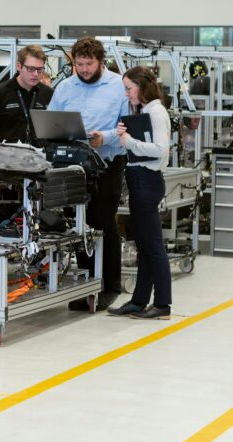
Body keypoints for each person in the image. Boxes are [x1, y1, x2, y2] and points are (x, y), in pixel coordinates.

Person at [48, 37, 126, 311]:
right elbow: (50, 121)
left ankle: (110, 286)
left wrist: (104, 138)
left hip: (107, 163)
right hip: (74, 166)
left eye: (88, 64)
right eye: (79, 64)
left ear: (100, 61)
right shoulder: (65, 87)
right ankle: (87, 285)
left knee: (102, 221)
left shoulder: (118, 85)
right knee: (80, 226)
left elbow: (127, 126)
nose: (83, 69)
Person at [108, 67, 172, 320]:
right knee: (145, 246)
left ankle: (163, 304)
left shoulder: (156, 111)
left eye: (128, 88)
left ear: (141, 85)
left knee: (154, 246)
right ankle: (139, 301)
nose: (126, 94)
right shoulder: (145, 111)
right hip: (140, 180)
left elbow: (160, 150)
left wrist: (129, 142)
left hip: (147, 181)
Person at [0, 45, 53, 144]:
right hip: (7, 156)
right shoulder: (0, 92)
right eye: (31, 69)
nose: (35, 74)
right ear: (18, 66)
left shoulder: (49, 94)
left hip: (39, 156)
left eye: (40, 69)